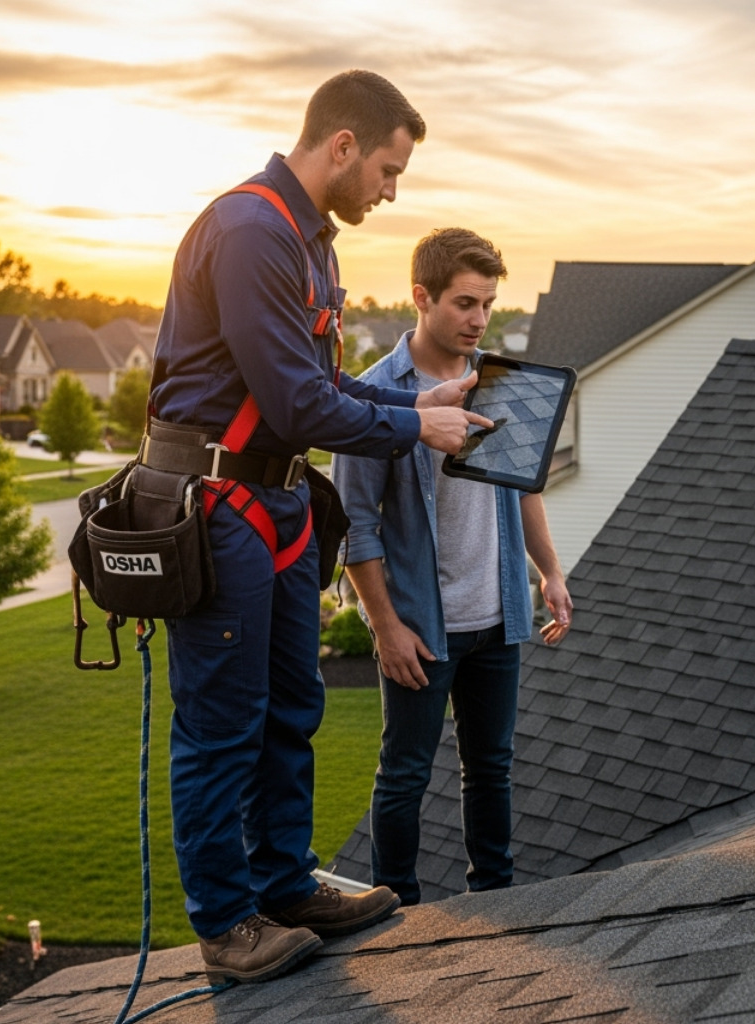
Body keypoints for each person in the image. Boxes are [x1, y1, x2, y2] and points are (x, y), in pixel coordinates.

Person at [146, 71, 494, 985]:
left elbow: (326, 385)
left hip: (278, 508)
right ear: (342, 146)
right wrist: (417, 424)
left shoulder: (313, 245)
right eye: (387, 168)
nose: (391, 190)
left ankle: (283, 883)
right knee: (224, 723)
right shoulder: (250, 230)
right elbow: (296, 404)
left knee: (291, 708)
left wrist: (421, 397)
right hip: (216, 505)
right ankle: (228, 925)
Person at [333, 228, 574, 906]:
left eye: (489, 304)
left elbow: (523, 486)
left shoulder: (500, 385)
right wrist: (384, 628)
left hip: (499, 615)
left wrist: (548, 573)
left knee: (490, 769)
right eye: (465, 303)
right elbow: (356, 524)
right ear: (422, 297)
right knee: (404, 773)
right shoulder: (375, 399)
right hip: (422, 628)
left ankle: (495, 899)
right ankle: (395, 910)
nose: (478, 319)